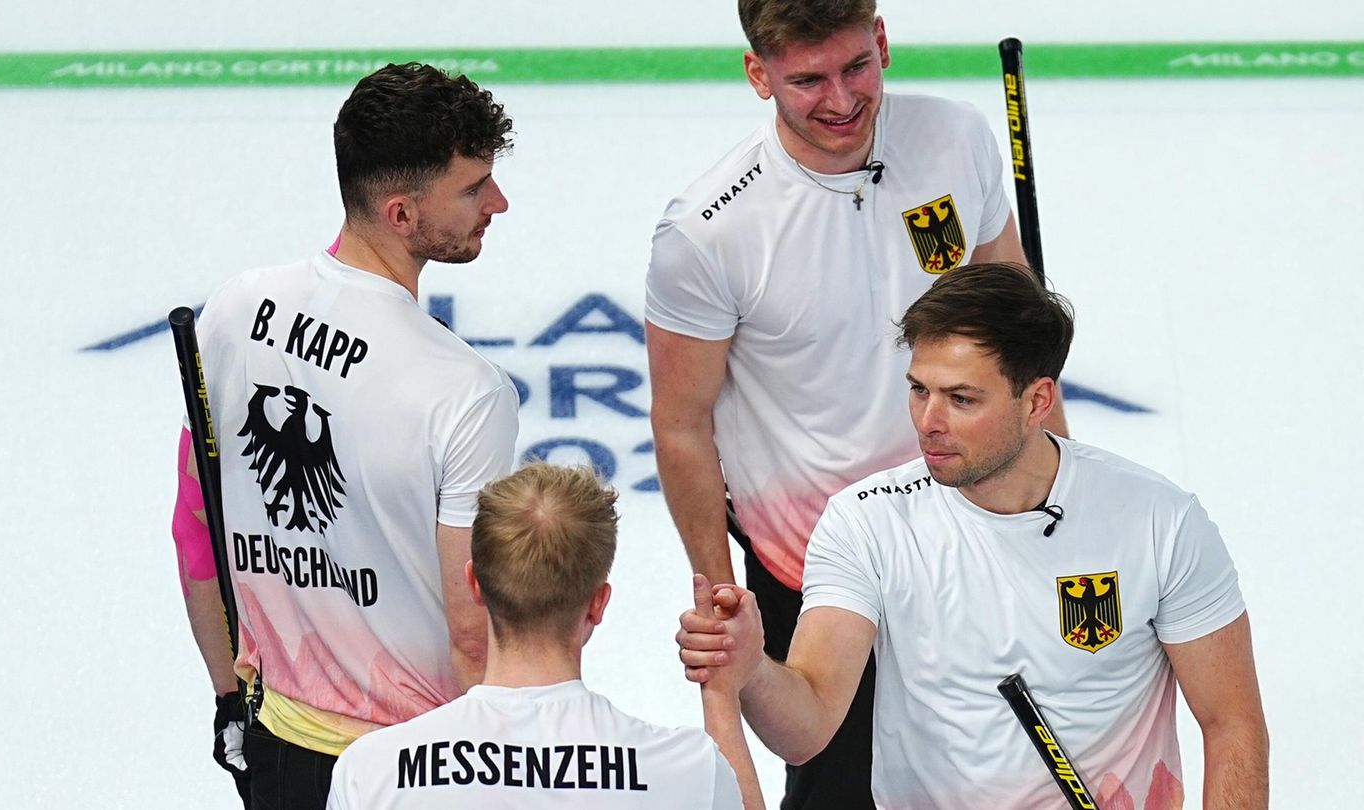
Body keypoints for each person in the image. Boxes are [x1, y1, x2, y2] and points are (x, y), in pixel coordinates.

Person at [645, 1, 1067, 804]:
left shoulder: (956, 139)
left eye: (855, 68)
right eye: (808, 80)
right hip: (818, 565)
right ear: (758, 73)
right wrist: (722, 600)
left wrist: (1058, 507)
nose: (840, 100)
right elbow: (681, 425)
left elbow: (1019, 351)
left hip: (973, 532)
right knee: (840, 786)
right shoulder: (708, 232)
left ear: (882, 42)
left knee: (1001, 776)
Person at [676, 263, 1269, 808]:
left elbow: (1232, 725)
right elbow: (806, 730)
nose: (928, 421)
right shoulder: (867, 522)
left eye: (961, 399)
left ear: (1037, 401)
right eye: (919, 390)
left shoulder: (1160, 521)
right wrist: (753, 668)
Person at [170, 61, 519, 809]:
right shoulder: (466, 393)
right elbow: (473, 632)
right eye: (472, 188)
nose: (498, 202)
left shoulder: (234, 310)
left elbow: (195, 526)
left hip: (276, 749)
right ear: (401, 213)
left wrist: (229, 699)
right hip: (416, 769)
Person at [325, 463, 764, 809]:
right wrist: (720, 692)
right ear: (598, 603)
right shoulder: (688, 770)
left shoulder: (371, 771)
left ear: (475, 584)